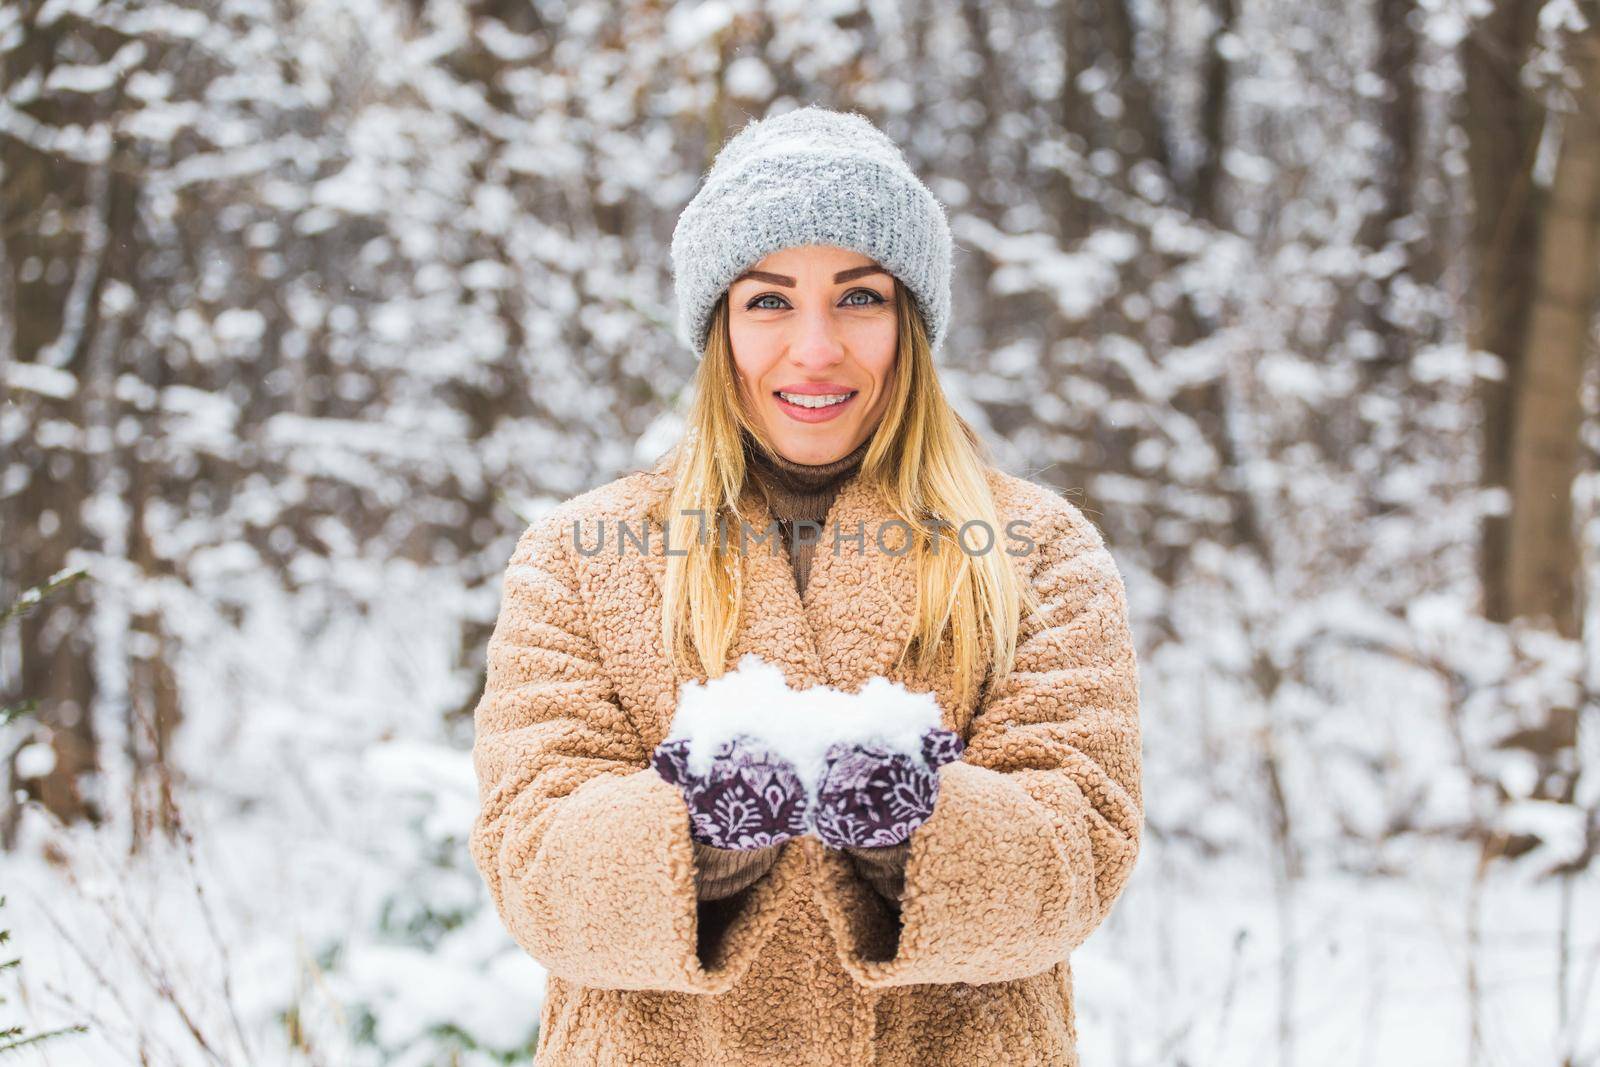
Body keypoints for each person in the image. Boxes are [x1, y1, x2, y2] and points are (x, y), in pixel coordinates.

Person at [467, 105, 1143, 1066]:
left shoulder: (1035, 548)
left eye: (860, 298)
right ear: (718, 327)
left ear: (911, 320)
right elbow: (530, 861)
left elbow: (1083, 845)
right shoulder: (582, 552)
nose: (816, 348)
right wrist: (697, 838)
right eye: (770, 301)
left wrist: (912, 832)